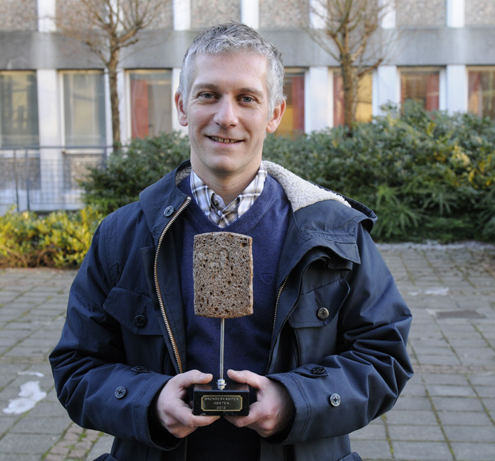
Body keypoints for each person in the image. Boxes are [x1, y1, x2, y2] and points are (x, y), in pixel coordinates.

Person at [50, 22, 413, 461]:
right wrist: (148, 402)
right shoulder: (122, 236)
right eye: (208, 95)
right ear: (183, 106)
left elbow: (384, 358)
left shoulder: (335, 234)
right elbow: (76, 368)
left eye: (247, 98)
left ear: (274, 114)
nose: (226, 117)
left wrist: (295, 400)